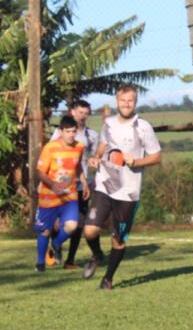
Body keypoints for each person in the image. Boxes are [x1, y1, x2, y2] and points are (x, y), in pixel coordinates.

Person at [81, 84, 162, 290]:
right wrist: (96, 157)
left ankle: (108, 278)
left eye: (130, 101)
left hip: (128, 192)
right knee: (90, 230)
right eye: (123, 100)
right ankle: (97, 255)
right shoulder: (108, 123)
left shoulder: (143, 127)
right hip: (104, 185)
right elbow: (103, 144)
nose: (126, 104)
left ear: (135, 102)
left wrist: (136, 162)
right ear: (117, 101)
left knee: (118, 239)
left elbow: (156, 156)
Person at [46, 100, 98, 268]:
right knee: (58, 222)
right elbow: (50, 152)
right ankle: (56, 245)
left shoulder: (92, 135)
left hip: (82, 185)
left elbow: (97, 156)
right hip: (63, 183)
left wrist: (94, 162)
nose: (82, 116)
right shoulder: (60, 133)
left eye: (86, 113)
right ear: (73, 112)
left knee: (79, 223)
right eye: (80, 112)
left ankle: (70, 261)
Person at [34, 116, 89, 272]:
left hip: (69, 196)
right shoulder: (50, 148)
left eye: (73, 131)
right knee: (44, 231)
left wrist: (84, 182)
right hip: (49, 197)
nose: (71, 135)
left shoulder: (79, 147)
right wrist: (53, 185)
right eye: (68, 131)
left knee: (72, 226)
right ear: (60, 131)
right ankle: (40, 263)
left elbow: (78, 167)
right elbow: (41, 172)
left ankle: (56, 244)